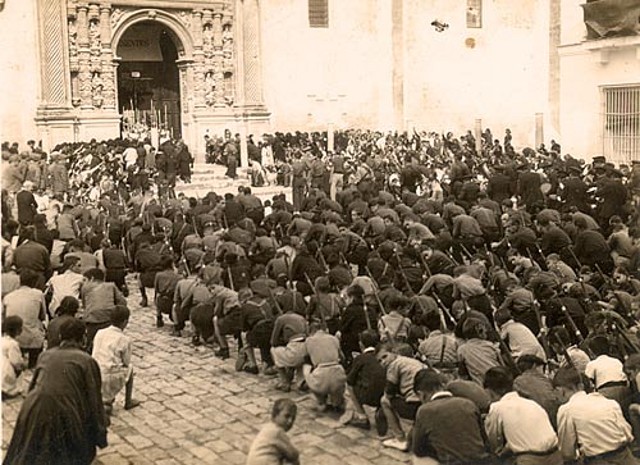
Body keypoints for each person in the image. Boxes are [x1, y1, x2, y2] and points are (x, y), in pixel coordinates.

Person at [3, 318, 108, 465]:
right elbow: (94, 400)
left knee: (29, 452)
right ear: (83, 338)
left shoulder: (45, 355)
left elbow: (32, 387)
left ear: (60, 337)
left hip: (33, 407)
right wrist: (100, 434)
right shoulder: (86, 361)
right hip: (65, 410)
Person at [554, 366, 638, 464]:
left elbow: (567, 453)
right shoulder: (608, 402)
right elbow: (628, 433)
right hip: (626, 456)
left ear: (560, 390)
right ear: (581, 386)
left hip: (599, 460)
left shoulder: (567, 409)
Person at [411, 369, 494, 465]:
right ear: (442, 386)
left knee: (418, 459)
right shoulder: (468, 403)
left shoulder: (424, 411)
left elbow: (418, 449)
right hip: (483, 461)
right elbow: (485, 441)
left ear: (421, 394)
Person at [484, 367, 562, 465]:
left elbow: (493, 442)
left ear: (489, 391)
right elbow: (526, 436)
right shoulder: (531, 403)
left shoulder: (497, 407)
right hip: (556, 454)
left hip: (530, 459)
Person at [92, 305, 140, 417]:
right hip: (110, 376)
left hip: (95, 372)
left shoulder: (100, 332)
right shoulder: (124, 339)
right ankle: (128, 401)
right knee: (130, 369)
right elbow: (126, 362)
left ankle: (105, 400)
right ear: (124, 322)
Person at [376, 343, 426, 451]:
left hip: (414, 405)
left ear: (393, 353)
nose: (383, 362)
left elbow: (389, 392)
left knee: (384, 401)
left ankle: (400, 439)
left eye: (384, 357)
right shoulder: (411, 361)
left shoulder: (394, 365)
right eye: (380, 361)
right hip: (426, 401)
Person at [2, 269, 46, 368]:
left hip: (13, 338)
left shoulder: (8, 296)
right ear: (35, 282)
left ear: (20, 281)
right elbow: (42, 316)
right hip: (32, 339)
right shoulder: (38, 294)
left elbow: (4, 318)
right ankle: (32, 367)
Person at [344, 330, 386, 431]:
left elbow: (350, 379)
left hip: (369, 396)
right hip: (385, 394)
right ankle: (381, 410)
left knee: (349, 385)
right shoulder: (383, 356)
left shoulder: (361, 358)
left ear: (361, 344)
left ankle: (362, 416)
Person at [303, 322, 346, 413]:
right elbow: (342, 357)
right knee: (336, 385)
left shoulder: (309, 340)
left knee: (306, 368)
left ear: (311, 331)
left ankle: (321, 401)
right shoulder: (334, 338)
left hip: (320, 374)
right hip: (337, 372)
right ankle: (336, 402)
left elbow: (306, 358)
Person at [246, 398, 300, 465]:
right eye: (287, 416)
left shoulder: (268, 428)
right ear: (275, 415)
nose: (290, 421)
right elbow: (293, 454)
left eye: (293, 418)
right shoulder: (277, 432)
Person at [2, 315, 26, 399]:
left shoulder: (2, 340)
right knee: (21, 372)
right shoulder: (13, 344)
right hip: (6, 372)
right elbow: (16, 362)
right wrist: (23, 365)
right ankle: (13, 389)